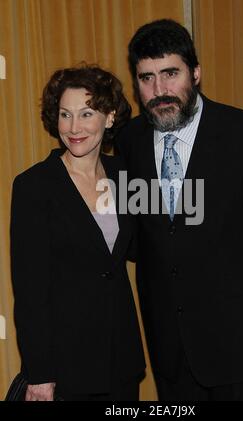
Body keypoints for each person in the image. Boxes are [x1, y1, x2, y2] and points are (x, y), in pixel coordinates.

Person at [117, 19, 243, 401]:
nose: (159, 90)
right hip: (167, 343)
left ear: (195, 73)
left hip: (236, 339)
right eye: (146, 78)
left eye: (170, 73)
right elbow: (143, 234)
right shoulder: (130, 140)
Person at [10, 64, 145, 401]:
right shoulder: (34, 186)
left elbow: (144, 248)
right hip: (65, 365)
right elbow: (30, 290)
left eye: (86, 113)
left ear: (109, 117)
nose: (73, 127)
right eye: (65, 115)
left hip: (121, 359)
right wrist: (40, 373)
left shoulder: (125, 177)